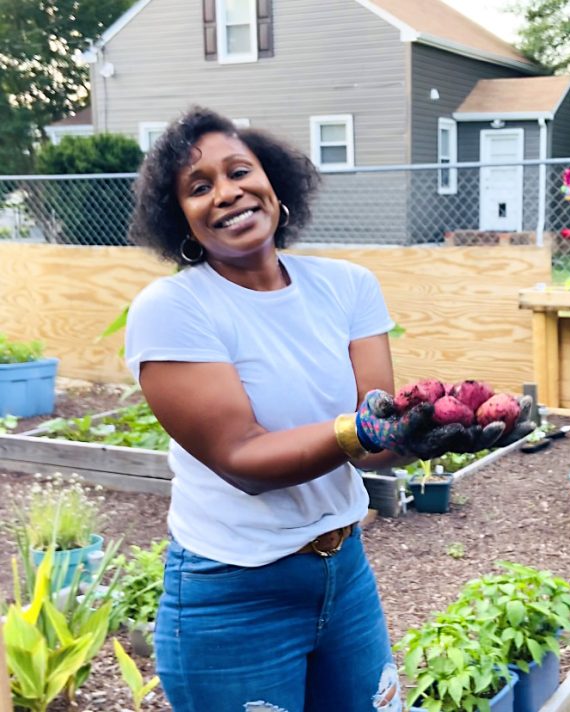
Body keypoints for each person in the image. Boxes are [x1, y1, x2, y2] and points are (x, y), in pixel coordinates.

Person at [124, 106, 530, 712]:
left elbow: (378, 433)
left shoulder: (348, 286)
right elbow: (243, 459)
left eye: (240, 171)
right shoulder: (173, 308)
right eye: (199, 187)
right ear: (178, 217)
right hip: (234, 593)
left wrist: (431, 434)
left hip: (345, 575)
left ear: (274, 183)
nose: (228, 193)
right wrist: (362, 429)